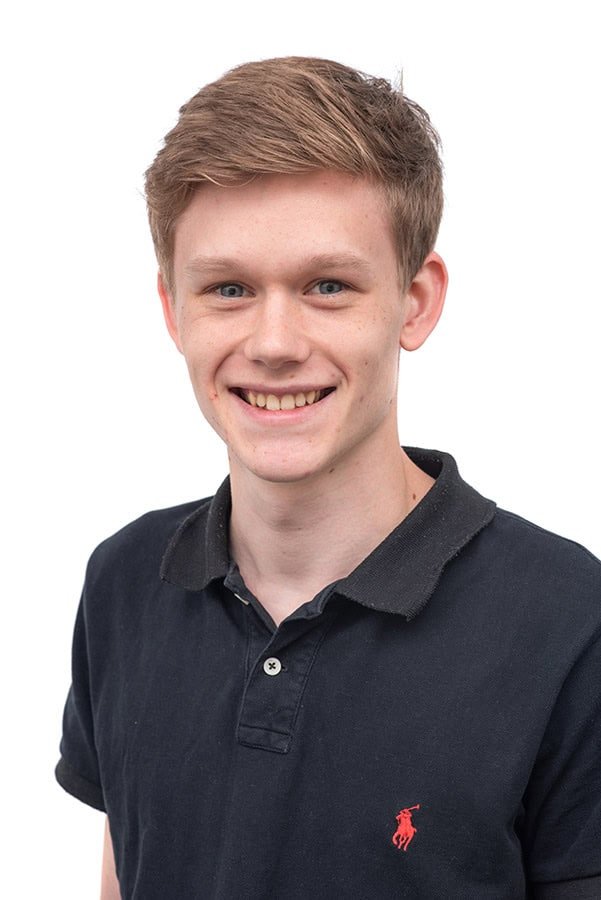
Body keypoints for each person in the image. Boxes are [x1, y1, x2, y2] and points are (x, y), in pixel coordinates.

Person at [55, 57, 601, 899]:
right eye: (228, 288)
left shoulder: (568, 619)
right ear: (173, 310)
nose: (274, 343)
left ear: (415, 301)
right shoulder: (125, 580)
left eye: (327, 286)